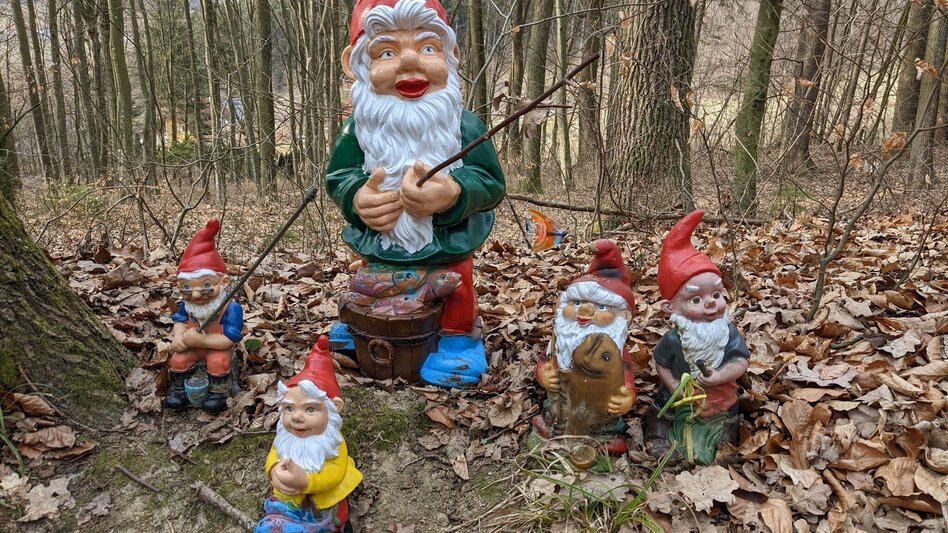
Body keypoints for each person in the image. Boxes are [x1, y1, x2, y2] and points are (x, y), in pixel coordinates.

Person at [326, 0, 506, 387]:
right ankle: (361, 325)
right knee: (371, 281)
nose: (410, 62)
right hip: (382, 245)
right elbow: (339, 175)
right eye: (387, 52)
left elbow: (491, 183)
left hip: (446, 246)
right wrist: (357, 197)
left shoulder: (465, 127)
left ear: (452, 55)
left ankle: (458, 340)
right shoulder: (358, 129)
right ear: (354, 64)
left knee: (455, 287)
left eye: (427, 47)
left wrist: (454, 193)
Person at [648, 209, 750, 465]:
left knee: (729, 412)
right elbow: (661, 363)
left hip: (720, 394)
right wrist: (672, 384)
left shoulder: (727, 333)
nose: (711, 303)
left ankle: (724, 441)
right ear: (670, 308)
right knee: (663, 408)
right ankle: (659, 437)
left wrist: (719, 376)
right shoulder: (674, 339)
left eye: (716, 294)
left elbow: (740, 361)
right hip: (682, 395)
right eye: (695, 299)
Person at [533, 240, 637, 450]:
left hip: (598, 407)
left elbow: (625, 376)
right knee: (553, 414)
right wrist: (543, 373)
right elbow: (545, 360)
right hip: (562, 403)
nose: (584, 312)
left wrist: (626, 396)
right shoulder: (558, 340)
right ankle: (555, 427)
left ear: (620, 316)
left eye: (601, 307)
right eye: (577, 303)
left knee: (604, 422)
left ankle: (602, 435)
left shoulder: (615, 350)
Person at [256, 336, 363, 533]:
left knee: (329, 522)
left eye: (310, 409)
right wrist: (273, 470)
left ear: (334, 408)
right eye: (289, 409)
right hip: (289, 501)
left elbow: (335, 473)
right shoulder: (287, 437)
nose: (297, 417)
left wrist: (306, 481)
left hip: (324, 502)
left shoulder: (332, 442)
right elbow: (274, 454)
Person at [165, 219, 243, 413]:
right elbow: (180, 321)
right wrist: (178, 337)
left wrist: (202, 340)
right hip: (192, 348)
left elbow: (229, 339)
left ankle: (218, 392)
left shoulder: (231, 309)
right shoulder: (187, 305)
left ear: (224, 282)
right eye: (186, 287)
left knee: (218, 361)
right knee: (178, 360)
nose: (196, 294)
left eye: (206, 285)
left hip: (216, 348)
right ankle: (179, 390)